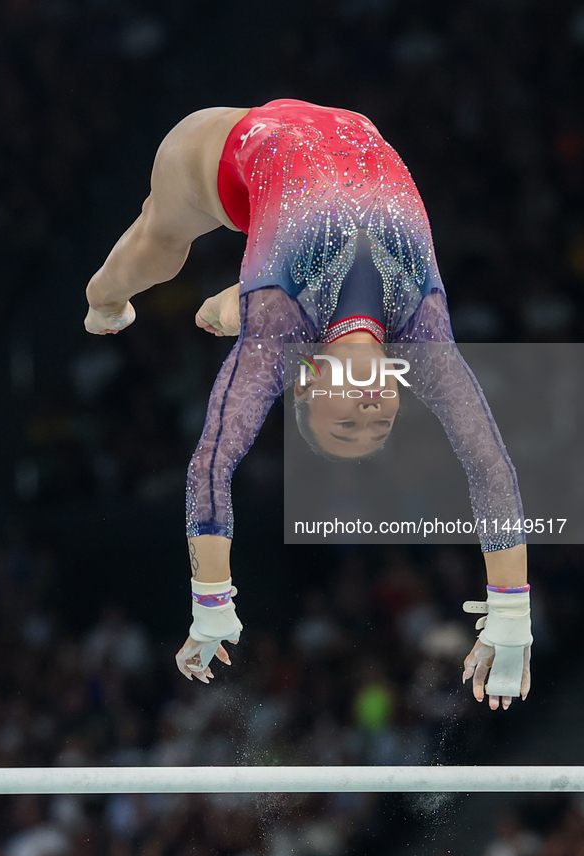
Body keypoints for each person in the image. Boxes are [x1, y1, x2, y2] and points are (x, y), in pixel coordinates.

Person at [84, 99, 532, 710]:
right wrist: (510, 618)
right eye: (379, 421)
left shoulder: (277, 326)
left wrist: (212, 600)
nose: (369, 409)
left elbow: (211, 462)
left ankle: (103, 298)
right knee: (261, 291)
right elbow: (490, 465)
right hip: (347, 135)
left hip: (225, 155)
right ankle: (228, 303)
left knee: (160, 242)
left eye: (346, 420)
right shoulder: (425, 336)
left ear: (309, 381)